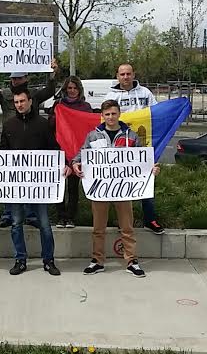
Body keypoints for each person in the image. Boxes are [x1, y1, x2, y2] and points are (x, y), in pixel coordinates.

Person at [71, 99, 160, 278]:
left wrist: (152, 169)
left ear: (119, 114)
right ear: (102, 116)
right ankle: (97, 261)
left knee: (127, 227)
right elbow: (81, 155)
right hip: (100, 189)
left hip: (124, 189)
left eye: (113, 113)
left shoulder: (131, 136)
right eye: (107, 114)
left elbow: (142, 159)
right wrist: (75, 164)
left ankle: (131, 261)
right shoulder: (93, 136)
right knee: (98, 228)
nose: (111, 117)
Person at [0, 57, 60, 228]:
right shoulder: (4, 95)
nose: (15, 81)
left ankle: (31, 214)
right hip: (10, 143)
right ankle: (8, 213)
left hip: (32, 143)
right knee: (9, 180)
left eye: (19, 78)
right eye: (13, 78)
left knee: (30, 180)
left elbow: (49, 90)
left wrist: (52, 74)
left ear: (26, 78)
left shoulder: (34, 95)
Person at [0, 89, 67, 276]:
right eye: (16, 102)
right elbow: (3, 150)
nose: (19, 105)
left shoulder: (42, 124)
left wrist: (65, 164)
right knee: (16, 223)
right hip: (17, 185)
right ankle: (20, 260)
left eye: (22, 101)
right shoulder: (9, 125)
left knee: (44, 224)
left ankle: (48, 260)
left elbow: (54, 148)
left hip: (39, 186)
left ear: (30, 101)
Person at [103, 63, 163, 234]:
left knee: (146, 181)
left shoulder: (145, 93)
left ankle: (150, 219)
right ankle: (120, 220)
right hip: (120, 148)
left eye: (129, 74)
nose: (126, 77)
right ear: (117, 76)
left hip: (142, 145)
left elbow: (157, 113)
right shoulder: (111, 95)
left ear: (133, 74)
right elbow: (104, 118)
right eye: (122, 74)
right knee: (118, 183)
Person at [48, 76, 93, 229]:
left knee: (73, 186)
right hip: (60, 148)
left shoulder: (85, 107)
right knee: (59, 183)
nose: (72, 91)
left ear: (79, 89)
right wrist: (57, 115)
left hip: (77, 151)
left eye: (75, 88)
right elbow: (50, 125)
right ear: (65, 89)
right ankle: (60, 216)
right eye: (69, 88)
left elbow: (90, 127)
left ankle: (71, 216)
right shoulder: (58, 105)